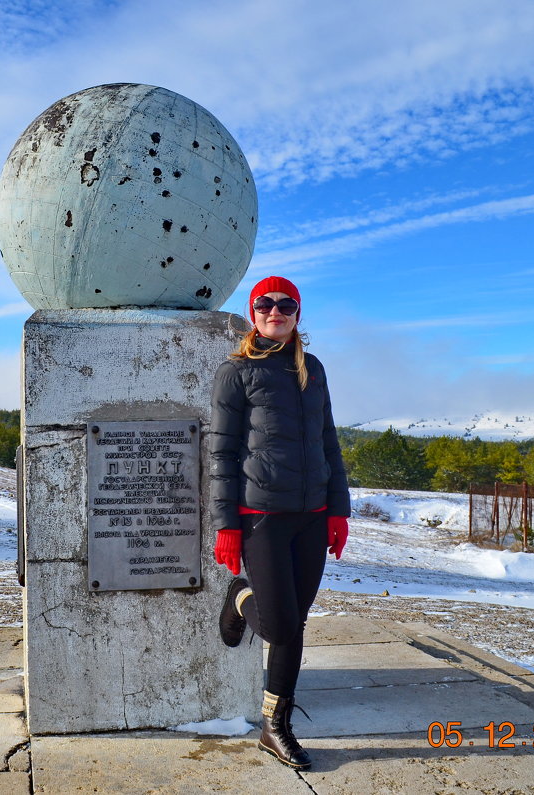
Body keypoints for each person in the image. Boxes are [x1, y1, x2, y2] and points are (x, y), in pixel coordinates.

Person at [208, 275, 350, 770]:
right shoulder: (238, 372)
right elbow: (222, 454)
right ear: (253, 312)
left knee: (295, 624)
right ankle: (239, 596)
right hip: (260, 516)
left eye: (285, 305)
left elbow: (328, 442)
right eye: (265, 304)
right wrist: (227, 524)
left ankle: (275, 725)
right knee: (281, 623)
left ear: (297, 314)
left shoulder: (313, 369)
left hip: (311, 515)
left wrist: (339, 509)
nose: (275, 311)